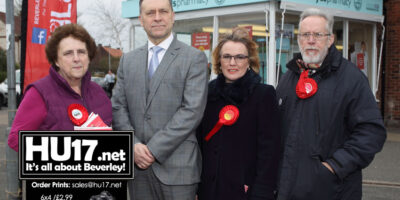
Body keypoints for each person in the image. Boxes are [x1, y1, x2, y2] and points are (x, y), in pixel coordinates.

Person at [276, 8, 386, 200]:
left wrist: (333, 167)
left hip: (332, 190)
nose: (311, 40)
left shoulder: (351, 79)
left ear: (330, 39)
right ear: (299, 38)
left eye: (318, 35)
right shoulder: (288, 78)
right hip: (288, 188)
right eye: (305, 34)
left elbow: (371, 131)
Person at [111, 0, 208, 199]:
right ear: (141, 19)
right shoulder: (127, 60)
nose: (157, 17)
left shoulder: (194, 58)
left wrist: (153, 149)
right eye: (150, 13)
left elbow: (192, 111)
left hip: (178, 169)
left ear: (172, 16)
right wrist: (133, 145)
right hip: (137, 169)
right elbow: (118, 107)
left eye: (163, 11)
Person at [196, 27, 281, 200]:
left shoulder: (263, 95)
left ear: (249, 61)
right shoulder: (206, 93)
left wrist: (261, 191)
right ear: (219, 61)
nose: (232, 63)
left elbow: (270, 151)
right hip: (208, 190)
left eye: (239, 57)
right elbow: (199, 144)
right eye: (226, 56)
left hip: (245, 191)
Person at [8, 23, 112, 151]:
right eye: (68, 53)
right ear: (56, 60)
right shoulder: (39, 93)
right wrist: (65, 151)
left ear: (89, 57)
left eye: (81, 52)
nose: (76, 58)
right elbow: (15, 139)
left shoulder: (99, 92)